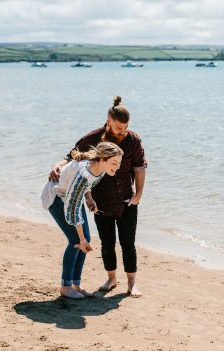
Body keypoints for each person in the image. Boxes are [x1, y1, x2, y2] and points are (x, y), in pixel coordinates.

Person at [49, 96, 147, 297]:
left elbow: (139, 168)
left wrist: (138, 194)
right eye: (119, 127)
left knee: (128, 243)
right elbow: (73, 157)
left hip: (127, 201)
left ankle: (131, 284)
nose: (123, 131)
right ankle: (111, 279)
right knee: (106, 243)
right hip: (100, 201)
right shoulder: (94, 139)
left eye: (126, 126)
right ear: (109, 121)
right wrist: (57, 165)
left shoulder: (133, 140)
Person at [42, 142, 123, 299]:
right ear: (103, 159)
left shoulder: (100, 168)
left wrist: (89, 198)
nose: (117, 166)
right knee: (76, 241)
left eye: (119, 162)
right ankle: (66, 287)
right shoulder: (84, 174)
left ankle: (76, 284)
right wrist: (81, 239)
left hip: (71, 197)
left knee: (84, 239)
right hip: (56, 197)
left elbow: (87, 186)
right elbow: (72, 208)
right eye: (114, 162)